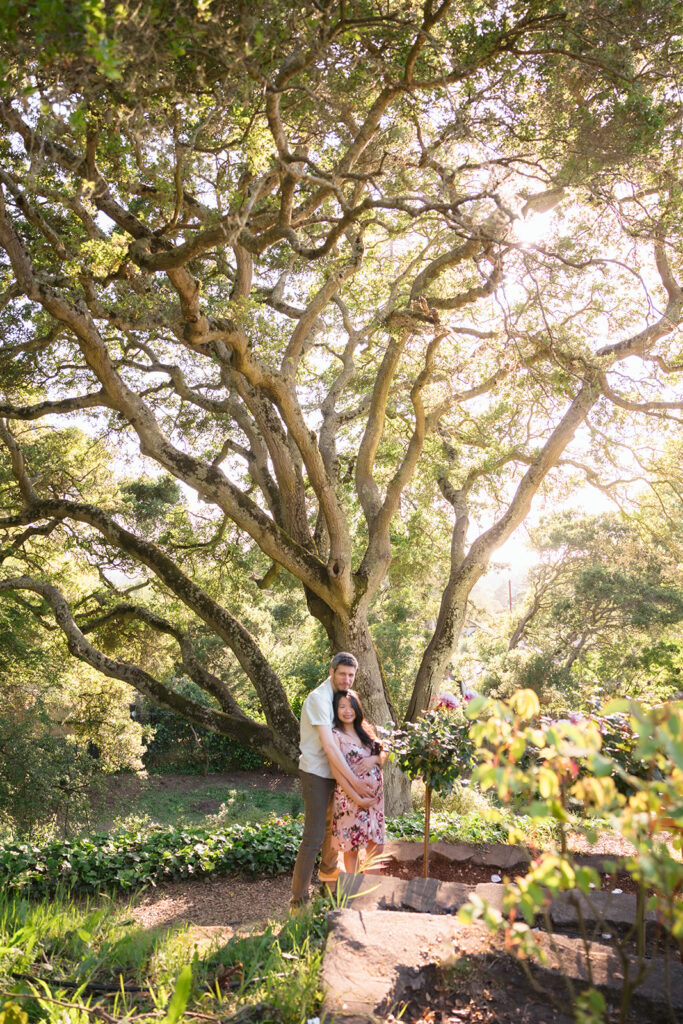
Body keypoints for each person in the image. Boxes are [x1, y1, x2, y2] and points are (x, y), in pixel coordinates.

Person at [290, 652, 376, 910]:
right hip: (317, 773)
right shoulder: (319, 699)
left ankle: (328, 887)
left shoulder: (343, 699)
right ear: (331, 672)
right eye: (342, 674)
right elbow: (329, 746)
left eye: (351, 675)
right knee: (314, 837)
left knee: (334, 834)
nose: (347, 679)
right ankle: (298, 901)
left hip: (336, 774)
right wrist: (356, 784)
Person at [330, 689, 386, 874]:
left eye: (351, 706)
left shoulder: (366, 731)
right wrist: (358, 799)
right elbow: (337, 773)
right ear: (335, 710)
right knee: (352, 847)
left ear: (357, 708)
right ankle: (354, 893)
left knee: (375, 847)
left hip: (375, 802)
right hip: (350, 799)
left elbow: (385, 753)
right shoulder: (335, 735)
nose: (347, 711)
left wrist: (374, 759)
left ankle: (371, 891)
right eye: (342, 706)